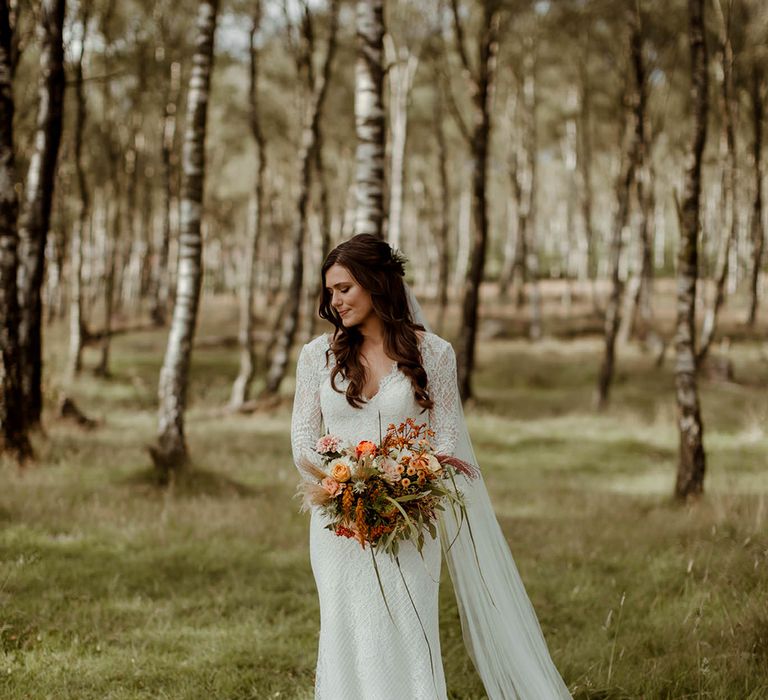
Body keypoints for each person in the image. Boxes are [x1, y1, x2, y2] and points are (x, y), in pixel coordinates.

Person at [291, 233, 572, 699]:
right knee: (345, 634)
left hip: (409, 524)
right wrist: (345, 488)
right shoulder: (316, 357)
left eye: (344, 288)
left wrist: (402, 486)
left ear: (376, 283)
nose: (334, 301)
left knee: (407, 631)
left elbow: (445, 439)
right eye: (330, 292)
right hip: (338, 527)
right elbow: (302, 436)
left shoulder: (435, 354)